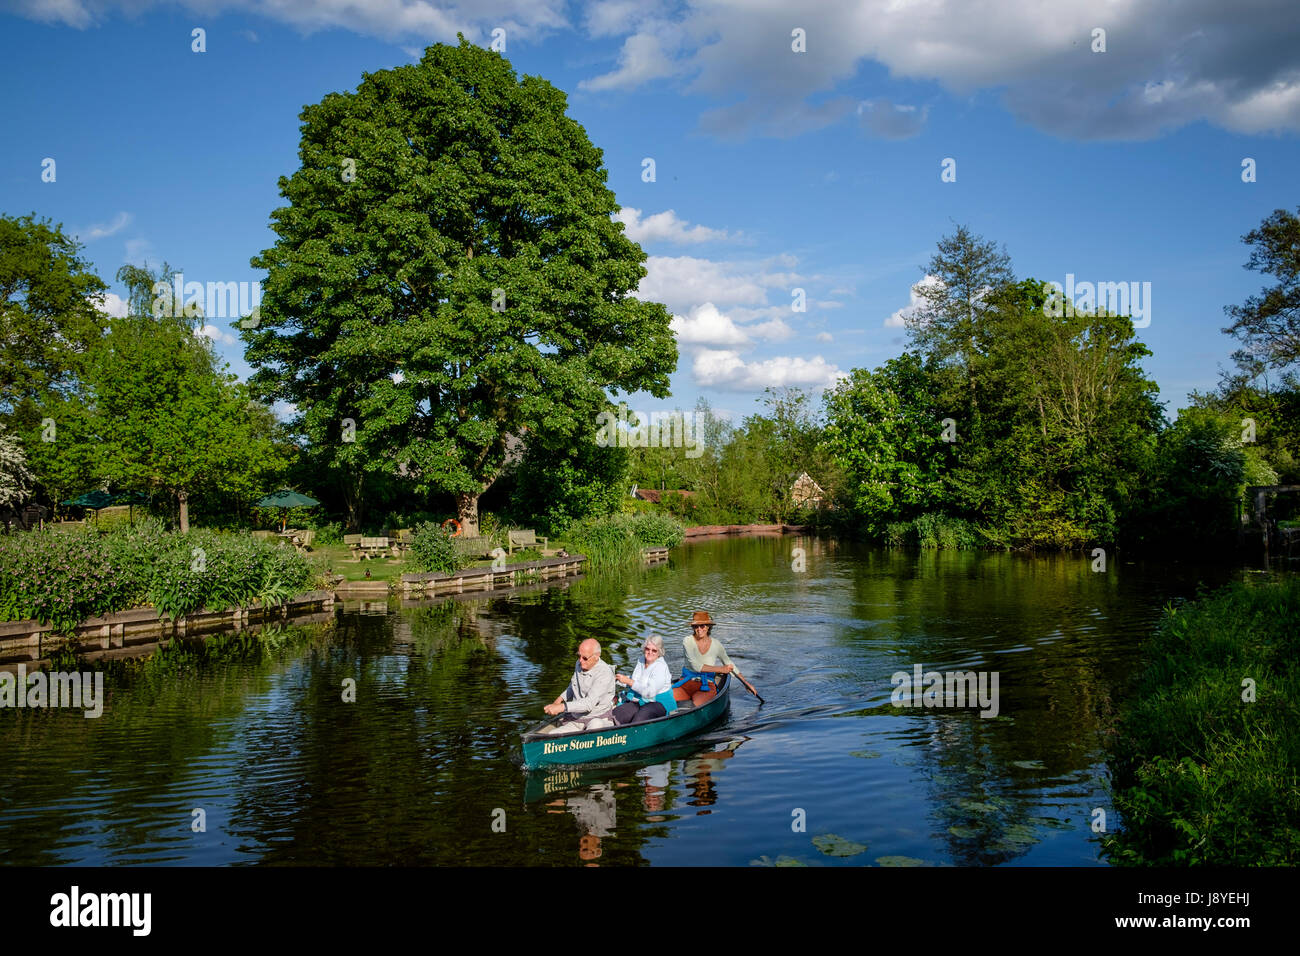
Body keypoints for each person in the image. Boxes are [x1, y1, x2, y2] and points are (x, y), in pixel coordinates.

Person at [541, 638, 616, 733]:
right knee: (552, 734)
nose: (580, 660)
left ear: (597, 656)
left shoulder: (605, 673)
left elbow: (588, 704)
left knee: (595, 725)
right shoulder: (580, 663)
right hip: (577, 718)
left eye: (585, 658)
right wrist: (558, 700)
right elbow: (573, 686)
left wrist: (561, 707)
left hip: (598, 718)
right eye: (579, 656)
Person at [674, 611, 734, 707]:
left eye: (702, 626)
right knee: (666, 701)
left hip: (706, 685)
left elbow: (729, 664)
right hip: (685, 683)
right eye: (696, 626)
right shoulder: (687, 641)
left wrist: (747, 684)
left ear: (708, 627)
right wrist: (721, 669)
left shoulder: (716, 644)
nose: (699, 629)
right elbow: (695, 666)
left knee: (696, 706)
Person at [612, 635, 671, 725]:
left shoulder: (661, 667)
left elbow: (649, 692)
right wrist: (619, 679)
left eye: (654, 650)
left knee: (638, 721)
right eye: (647, 649)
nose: (650, 652)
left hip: (658, 702)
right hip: (639, 699)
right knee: (616, 714)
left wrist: (629, 682)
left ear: (659, 652)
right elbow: (636, 680)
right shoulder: (641, 660)